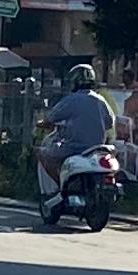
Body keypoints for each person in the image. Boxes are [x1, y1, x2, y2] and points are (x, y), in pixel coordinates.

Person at [38, 65, 114, 214]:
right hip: (97, 148)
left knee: (42, 153)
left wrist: (42, 123)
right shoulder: (101, 100)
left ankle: (59, 189)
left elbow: (52, 117)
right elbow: (109, 122)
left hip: (74, 147)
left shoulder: (72, 100)